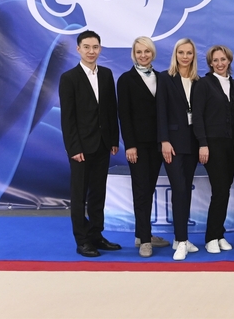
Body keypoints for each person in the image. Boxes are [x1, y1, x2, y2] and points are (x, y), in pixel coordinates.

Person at [58, 30, 121, 257]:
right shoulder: (69, 78)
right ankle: (82, 240)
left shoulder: (106, 74)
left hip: (103, 145)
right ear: (78, 49)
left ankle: (96, 234)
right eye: (86, 47)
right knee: (79, 195)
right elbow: (68, 117)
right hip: (81, 149)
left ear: (100, 49)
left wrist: (113, 139)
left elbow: (110, 110)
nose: (91, 51)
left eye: (95, 47)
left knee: (98, 194)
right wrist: (74, 148)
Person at [117, 36, 169, 258]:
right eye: (139, 52)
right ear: (133, 54)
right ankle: (145, 240)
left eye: (147, 51)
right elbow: (124, 116)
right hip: (137, 146)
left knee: (148, 189)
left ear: (153, 53)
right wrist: (130, 145)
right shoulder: (125, 80)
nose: (143, 55)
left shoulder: (161, 78)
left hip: (157, 145)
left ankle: (141, 233)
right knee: (141, 191)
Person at [193, 45, 234, 254]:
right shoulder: (204, 84)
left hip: (232, 145)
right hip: (213, 144)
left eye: (223, 59)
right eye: (216, 60)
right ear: (210, 63)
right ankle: (211, 237)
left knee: (225, 190)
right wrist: (203, 143)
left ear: (229, 60)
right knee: (219, 190)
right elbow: (198, 116)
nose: (220, 63)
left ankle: (219, 234)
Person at [157, 38, 201, 261]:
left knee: (186, 190)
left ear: (193, 56)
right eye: (181, 52)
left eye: (189, 53)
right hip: (172, 144)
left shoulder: (198, 80)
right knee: (179, 189)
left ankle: (179, 237)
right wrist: (164, 140)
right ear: (175, 54)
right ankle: (182, 241)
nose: (185, 56)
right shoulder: (165, 78)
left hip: (192, 144)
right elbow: (161, 111)